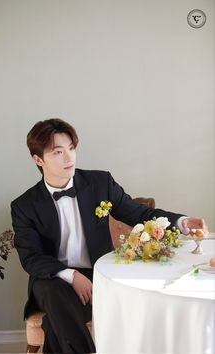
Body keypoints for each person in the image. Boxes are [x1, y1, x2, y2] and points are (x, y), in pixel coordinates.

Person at [11, 118, 208, 354]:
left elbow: (139, 213)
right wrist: (71, 275)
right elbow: (31, 257)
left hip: (99, 275)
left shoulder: (99, 183)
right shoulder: (24, 205)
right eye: (58, 152)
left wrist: (181, 222)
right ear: (38, 159)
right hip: (52, 279)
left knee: (55, 324)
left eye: (72, 149)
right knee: (54, 293)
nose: (69, 158)